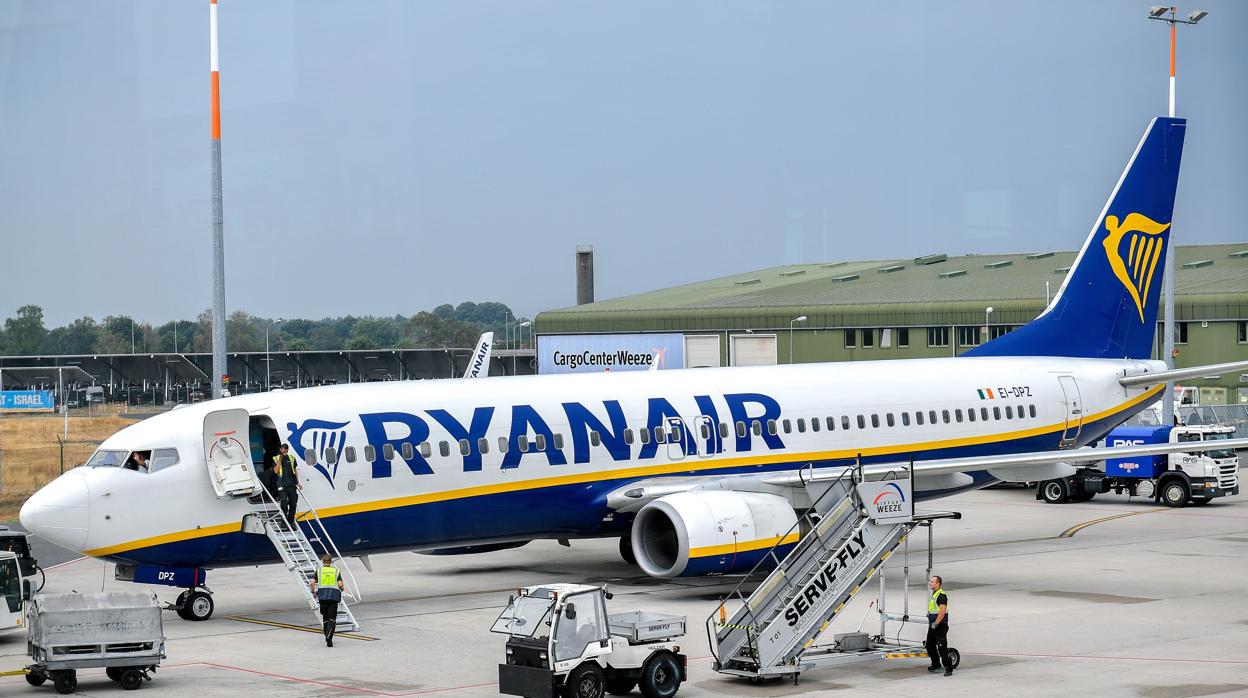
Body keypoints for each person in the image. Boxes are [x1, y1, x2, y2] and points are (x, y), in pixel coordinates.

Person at [309, 553, 345, 647]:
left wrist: (313, 591)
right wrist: (342, 589)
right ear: (331, 561)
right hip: (333, 597)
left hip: (322, 596)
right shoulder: (336, 571)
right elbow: (340, 584)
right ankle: (329, 637)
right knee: (332, 618)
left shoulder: (319, 571)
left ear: (322, 561)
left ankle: (326, 635)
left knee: (325, 618)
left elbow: (312, 582)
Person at [925, 575, 953, 676]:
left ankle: (949, 668)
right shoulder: (935, 594)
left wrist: (936, 623)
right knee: (930, 646)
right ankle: (936, 665)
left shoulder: (941, 595)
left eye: (932, 582)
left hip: (940, 626)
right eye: (930, 581)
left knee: (942, 648)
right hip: (933, 625)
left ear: (938, 584)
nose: (930, 583)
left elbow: (942, 610)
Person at [272, 444, 301, 525]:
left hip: (292, 484)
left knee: (293, 504)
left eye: (286, 450)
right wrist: (280, 461)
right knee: (284, 503)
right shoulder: (276, 458)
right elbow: (276, 471)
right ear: (280, 449)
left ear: (288, 450)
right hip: (282, 485)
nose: (284, 451)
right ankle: (284, 521)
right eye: (283, 450)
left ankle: (290, 521)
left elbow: (294, 471)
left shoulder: (292, 458)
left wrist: (298, 483)